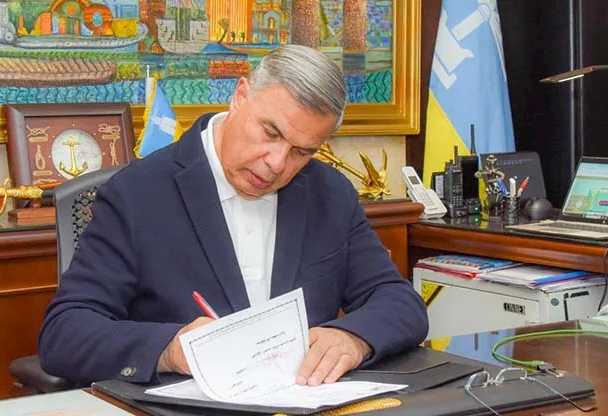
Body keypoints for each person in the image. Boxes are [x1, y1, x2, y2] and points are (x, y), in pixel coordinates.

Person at [38, 45, 429, 387]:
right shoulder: (137, 193)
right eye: (271, 133)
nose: (277, 163)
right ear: (240, 96)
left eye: (301, 152)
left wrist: (353, 338)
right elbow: (65, 334)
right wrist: (170, 349)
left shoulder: (329, 193)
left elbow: (399, 301)